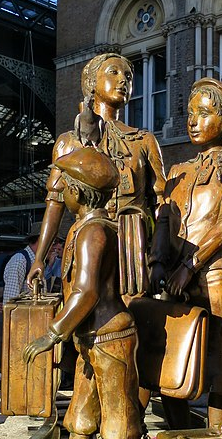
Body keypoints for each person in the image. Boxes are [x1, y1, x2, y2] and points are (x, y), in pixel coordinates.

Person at [23, 147, 142, 439]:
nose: (60, 194)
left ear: (79, 190)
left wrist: (52, 333)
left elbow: (86, 292)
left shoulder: (94, 232)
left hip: (110, 338)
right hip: (91, 338)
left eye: (64, 187)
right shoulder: (87, 228)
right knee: (80, 415)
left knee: (119, 422)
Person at [149, 77, 222, 428]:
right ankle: (180, 431)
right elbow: (164, 221)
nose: (192, 121)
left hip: (216, 272)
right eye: (190, 113)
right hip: (176, 272)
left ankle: (217, 434)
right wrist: (158, 264)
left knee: (220, 360)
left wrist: (190, 267)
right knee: (172, 352)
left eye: (204, 113)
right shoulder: (178, 171)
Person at [27, 51, 166, 297]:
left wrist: (158, 259)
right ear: (92, 83)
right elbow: (55, 204)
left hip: (132, 246)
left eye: (128, 75)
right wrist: (40, 259)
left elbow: (161, 204)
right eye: (113, 72)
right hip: (85, 243)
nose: (123, 80)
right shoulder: (68, 143)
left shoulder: (143, 141)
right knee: (81, 312)